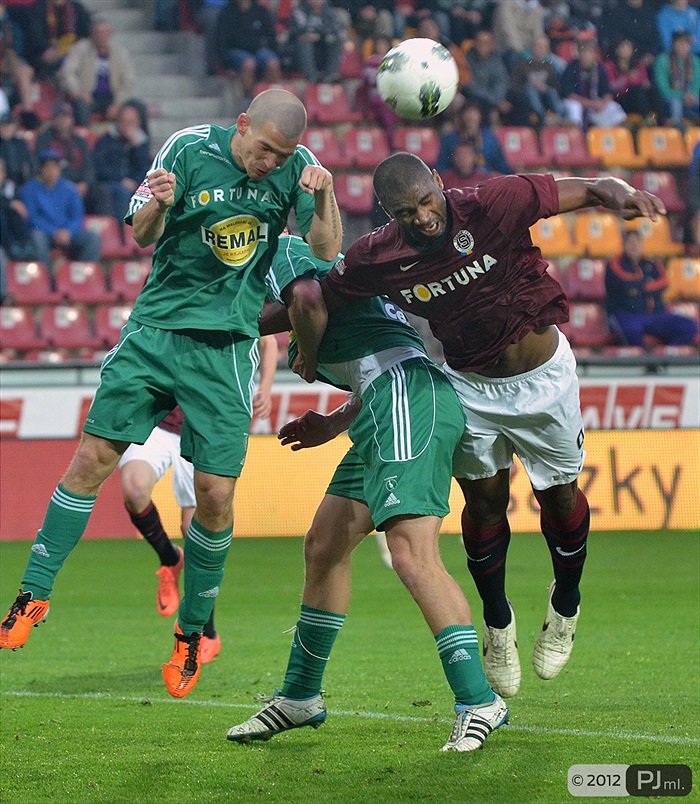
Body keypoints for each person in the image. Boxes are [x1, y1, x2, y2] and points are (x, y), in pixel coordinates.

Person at [0, 89, 343, 704]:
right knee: (92, 460)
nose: (270, 162)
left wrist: (323, 195)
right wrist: (158, 204)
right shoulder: (187, 148)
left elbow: (324, 250)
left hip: (226, 349)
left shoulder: (298, 168)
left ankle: (190, 634)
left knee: (215, 496)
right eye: (265, 149)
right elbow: (140, 234)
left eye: (281, 154)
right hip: (155, 334)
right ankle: (33, 594)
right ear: (242, 125)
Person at [309, 153, 666, 700]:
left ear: (438, 182)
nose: (423, 217)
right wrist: (248, 327)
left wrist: (627, 198)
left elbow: (595, 186)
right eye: (406, 212)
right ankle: (497, 623)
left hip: (544, 381)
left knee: (560, 499)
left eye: (426, 201)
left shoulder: (495, 203)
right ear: (388, 213)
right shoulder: (378, 256)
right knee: (483, 505)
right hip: (470, 387)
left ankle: (566, 603)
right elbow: (319, 298)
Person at [226, 233, 507, 752]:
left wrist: (307, 353)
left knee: (412, 554)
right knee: (324, 545)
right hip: (384, 404)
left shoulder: (281, 251)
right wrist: (334, 425)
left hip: (405, 401)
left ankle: (478, 700)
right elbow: (373, 357)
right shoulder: (327, 278)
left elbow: (305, 301)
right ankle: (300, 695)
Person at [120, 337, 279, 664]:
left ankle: (207, 631)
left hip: (204, 424)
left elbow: (268, 342)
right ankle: (169, 558)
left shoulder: (236, 305)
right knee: (134, 489)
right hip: (158, 417)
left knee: (196, 532)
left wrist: (264, 387)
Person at [605, 229, 698, 348]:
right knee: (631, 330)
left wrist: (638, 289)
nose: (634, 246)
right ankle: (642, 359)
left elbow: (663, 283)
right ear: (623, 245)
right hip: (626, 315)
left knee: (689, 326)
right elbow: (624, 283)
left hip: (655, 315)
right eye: (630, 242)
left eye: (637, 242)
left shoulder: (653, 264)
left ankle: (666, 356)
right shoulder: (615, 264)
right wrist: (648, 285)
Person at [19, 148, 101, 266]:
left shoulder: (69, 188)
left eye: (55, 167)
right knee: (37, 238)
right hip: (45, 233)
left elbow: (77, 216)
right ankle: (45, 275)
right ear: (41, 169)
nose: (51, 171)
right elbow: (32, 218)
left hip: (67, 233)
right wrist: (54, 232)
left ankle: (85, 274)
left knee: (93, 238)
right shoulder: (29, 189)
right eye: (47, 167)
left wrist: (68, 231)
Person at [58, 18, 136, 127]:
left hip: (112, 98)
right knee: (81, 106)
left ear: (110, 34)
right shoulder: (80, 49)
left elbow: (129, 80)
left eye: (105, 33)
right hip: (87, 97)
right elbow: (67, 72)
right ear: (92, 34)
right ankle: (83, 135)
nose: (102, 36)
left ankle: (140, 138)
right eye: (98, 33)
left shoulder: (120, 52)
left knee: (138, 107)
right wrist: (78, 92)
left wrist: (118, 103)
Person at [92, 101, 152, 239]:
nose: (127, 125)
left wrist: (137, 148)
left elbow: (145, 168)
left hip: (135, 184)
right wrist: (121, 179)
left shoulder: (142, 142)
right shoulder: (106, 140)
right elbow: (100, 167)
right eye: (124, 121)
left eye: (131, 122)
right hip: (110, 182)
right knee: (120, 193)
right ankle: (119, 236)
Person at [214, 0, 281, 101]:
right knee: (249, 64)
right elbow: (221, 41)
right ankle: (248, 101)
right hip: (236, 52)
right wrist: (226, 65)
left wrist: (273, 51)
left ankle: (273, 100)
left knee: (272, 63)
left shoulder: (260, 10)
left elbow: (271, 36)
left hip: (258, 51)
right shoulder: (227, 12)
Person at [561, 36, 627, 129]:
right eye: (583, 52)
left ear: (594, 54)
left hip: (596, 103)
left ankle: (612, 135)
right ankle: (577, 134)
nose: (586, 56)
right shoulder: (571, 68)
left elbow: (607, 92)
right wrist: (590, 103)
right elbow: (569, 94)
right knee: (574, 107)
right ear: (578, 53)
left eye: (589, 52)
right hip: (579, 102)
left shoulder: (599, 68)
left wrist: (602, 103)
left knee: (614, 107)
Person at [35, 101, 94, 202]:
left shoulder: (80, 141)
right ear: (53, 119)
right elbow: (44, 167)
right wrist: (68, 186)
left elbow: (89, 166)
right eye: (59, 117)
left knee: (102, 192)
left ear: (72, 119)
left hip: (81, 184)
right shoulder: (44, 140)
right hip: (56, 185)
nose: (63, 120)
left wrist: (85, 183)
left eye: (66, 117)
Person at [435, 101, 511, 176]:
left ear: (480, 116)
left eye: (474, 113)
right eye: (468, 113)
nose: (471, 117)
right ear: (462, 116)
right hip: (457, 179)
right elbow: (441, 165)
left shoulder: (489, 138)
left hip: (485, 178)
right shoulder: (450, 138)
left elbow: (501, 165)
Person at [286, 0, 347, 84]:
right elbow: (296, 31)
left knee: (335, 40)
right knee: (305, 41)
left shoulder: (329, 13)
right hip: (298, 53)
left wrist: (319, 36)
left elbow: (337, 30)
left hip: (321, 50)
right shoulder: (299, 12)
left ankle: (331, 75)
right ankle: (311, 77)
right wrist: (310, 34)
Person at [463, 29, 512, 126]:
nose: (482, 45)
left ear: (491, 45)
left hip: (495, 99)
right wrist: (495, 102)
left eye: (486, 43)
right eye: (480, 42)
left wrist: (498, 99)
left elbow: (501, 81)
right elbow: (472, 87)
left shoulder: (496, 60)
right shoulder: (467, 60)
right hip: (474, 99)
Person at [653, 30, 700, 126]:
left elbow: (697, 83)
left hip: (692, 98)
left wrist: (692, 96)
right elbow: (663, 88)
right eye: (680, 43)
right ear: (674, 44)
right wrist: (682, 96)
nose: (683, 46)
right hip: (669, 99)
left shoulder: (695, 61)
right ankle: (677, 130)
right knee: (676, 103)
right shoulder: (663, 60)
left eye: (686, 43)